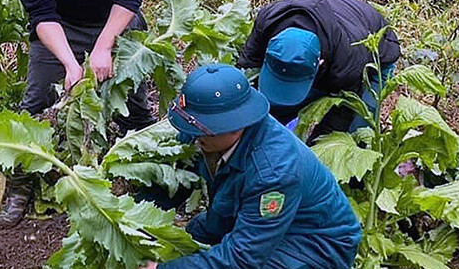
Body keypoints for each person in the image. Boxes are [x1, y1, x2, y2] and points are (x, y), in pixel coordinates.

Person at [0, 0, 156, 227]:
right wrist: (70, 64)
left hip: (115, 18)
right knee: (36, 103)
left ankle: (152, 174)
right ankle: (20, 182)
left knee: (135, 105)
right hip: (60, 25)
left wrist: (104, 46)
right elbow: (41, 13)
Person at [140, 64, 361, 269]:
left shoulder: (274, 173)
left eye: (203, 131)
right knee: (194, 235)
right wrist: (134, 221)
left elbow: (242, 258)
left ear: (237, 126)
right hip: (250, 217)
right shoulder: (202, 129)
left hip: (314, 245)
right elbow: (173, 182)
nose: (193, 138)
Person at [237, 0, 400, 140]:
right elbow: (246, 69)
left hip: (376, 53)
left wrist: (311, 153)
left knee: (354, 134)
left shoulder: (347, 63)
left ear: (319, 64)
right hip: (333, 23)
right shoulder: (268, 20)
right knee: (270, 108)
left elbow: (339, 119)